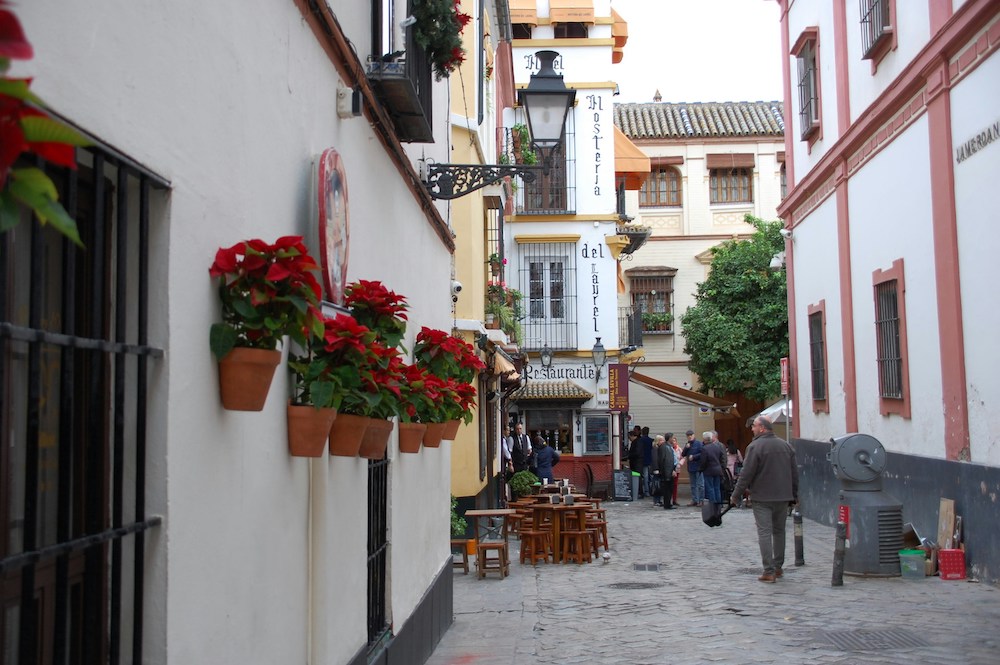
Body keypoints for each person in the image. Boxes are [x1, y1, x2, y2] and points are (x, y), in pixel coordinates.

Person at [730, 416, 799, 583]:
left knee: (764, 532)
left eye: (753, 426)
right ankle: (778, 567)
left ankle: (768, 571)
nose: (752, 429)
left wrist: (736, 495)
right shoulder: (786, 446)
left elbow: (746, 474)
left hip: (762, 496)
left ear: (761, 428)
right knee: (779, 531)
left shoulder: (755, 447)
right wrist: (794, 495)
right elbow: (794, 473)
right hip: (782, 496)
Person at [700, 431, 726, 506]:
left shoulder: (704, 448)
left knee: (710, 488)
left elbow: (703, 461)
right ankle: (719, 504)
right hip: (718, 470)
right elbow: (722, 457)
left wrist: (701, 469)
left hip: (708, 471)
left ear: (705, 439)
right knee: (717, 488)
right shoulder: (717, 446)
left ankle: (713, 505)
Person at [652, 434, 677, 509]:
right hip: (667, 472)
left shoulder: (667, 446)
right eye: (672, 438)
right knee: (666, 489)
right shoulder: (664, 447)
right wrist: (667, 471)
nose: (673, 439)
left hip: (668, 471)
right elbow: (663, 460)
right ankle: (667, 504)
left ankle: (668, 503)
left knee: (669, 489)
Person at [681, 430, 705, 506]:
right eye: (688, 435)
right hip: (691, 467)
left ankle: (701, 500)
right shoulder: (687, 445)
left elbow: (703, 453)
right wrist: (686, 448)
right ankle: (694, 500)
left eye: (691, 435)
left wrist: (694, 457)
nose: (689, 436)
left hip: (698, 467)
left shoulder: (699, 444)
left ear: (694, 435)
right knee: (693, 485)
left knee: (700, 485)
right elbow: (683, 454)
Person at [639, 427, 654, 499]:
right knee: (651, 476)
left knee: (645, 476)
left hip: (643, 460)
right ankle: (652, 490)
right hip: (650, 460)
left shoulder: (641, 440)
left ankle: (646, 491)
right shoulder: (651, 440)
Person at [670, 434, 684, 507]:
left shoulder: (679, 449)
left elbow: (683, 457)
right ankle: (669, 499)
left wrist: (680, 464)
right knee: (670, 484)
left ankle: (674, 500)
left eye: (674, 441)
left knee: (675, 485)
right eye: (672, 441)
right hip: (670, 469)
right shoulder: (669, 448)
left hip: (677, 468)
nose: (673, 442)